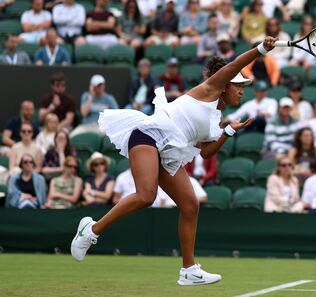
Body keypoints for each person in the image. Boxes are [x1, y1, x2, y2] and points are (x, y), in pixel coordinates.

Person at [71, 36, 277, 285]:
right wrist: (261, 49)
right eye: (238, 86)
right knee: (146, 196)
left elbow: (206, 153)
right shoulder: (209, 90)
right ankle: (91, 230)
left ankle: (189, 269)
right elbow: (233, 66)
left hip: (168, 151)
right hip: (149, 136)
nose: (242, 91)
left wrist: (229, 132)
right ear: (224, 84)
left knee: (190, 204)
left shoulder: (216, 118)